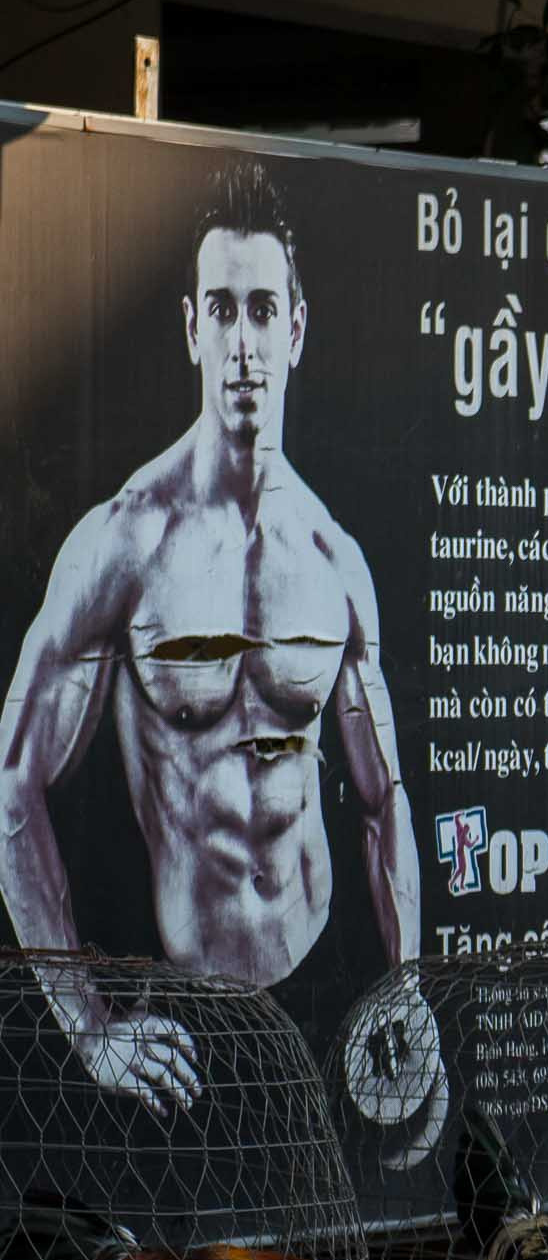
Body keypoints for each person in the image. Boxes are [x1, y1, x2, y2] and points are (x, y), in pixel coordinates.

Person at [0, 156, 418, 1116]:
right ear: (192, 327)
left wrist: (408, 986)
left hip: (327, 975)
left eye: (263, 310)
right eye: (221, 310)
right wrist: (90, 1025)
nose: (243, 347)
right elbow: (13, 780)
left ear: (297, 329)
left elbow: (385, 794)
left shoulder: (334, 558)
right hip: (185, 1002)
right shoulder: (125, 541)